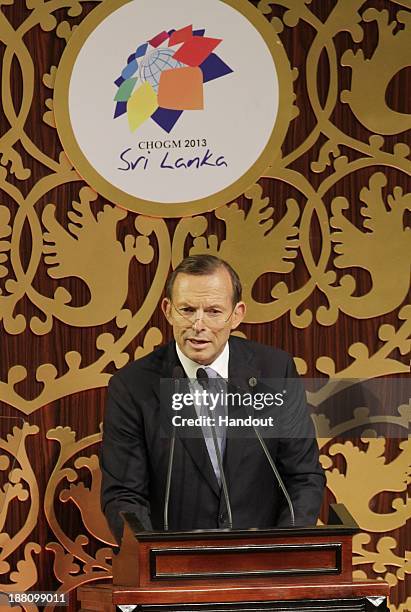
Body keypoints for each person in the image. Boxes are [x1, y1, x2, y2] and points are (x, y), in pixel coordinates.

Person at [100, 255, 325, 543]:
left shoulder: (275, 371)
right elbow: (124, 495)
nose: (198, 324)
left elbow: (303, 477)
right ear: (168, 310)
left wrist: (284, 551)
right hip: (173, 570)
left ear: (237, 314)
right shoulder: (133, 386)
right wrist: (152, 558)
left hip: (263, 566)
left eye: (214, 311)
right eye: (187, 309)